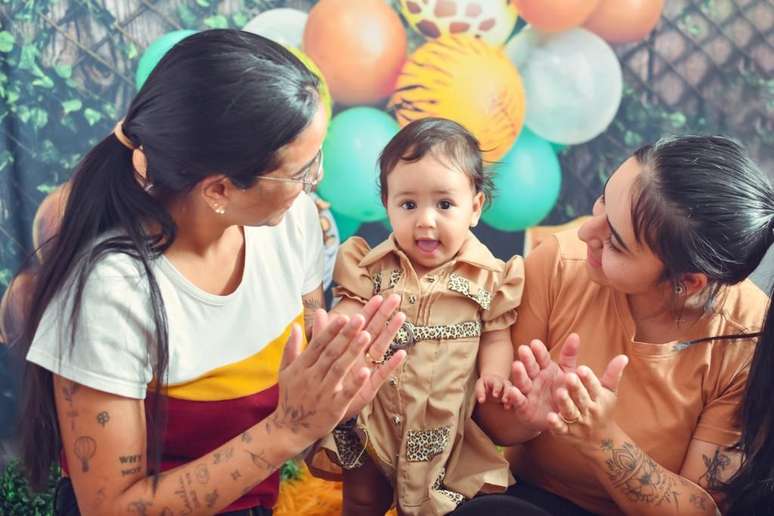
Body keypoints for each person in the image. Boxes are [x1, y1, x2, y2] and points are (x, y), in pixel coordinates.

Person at [18, 29, 407, 516]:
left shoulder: (295, 222)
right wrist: (288, 429)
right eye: (301, 171)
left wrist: (334, 398)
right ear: (219, 190)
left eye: (318, 157)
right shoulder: (111, 293)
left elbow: (301, 391)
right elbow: (112, 507)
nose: (317, 180)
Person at [474, 135, 773, 515]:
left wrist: (601, 439)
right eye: (602, 199)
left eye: (615, 242)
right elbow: (493, 427)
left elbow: (702, 509)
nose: (586, 233)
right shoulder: (557, 264)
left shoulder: (747, 340)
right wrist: (527, 416)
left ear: (689, 281)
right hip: (529, 501)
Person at [308, 118, 526, 516]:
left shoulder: (490, 277)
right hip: (372, 413)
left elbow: (497, 335)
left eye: (444, 204)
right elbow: (353, 307)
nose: (425, 220)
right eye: (408, 204)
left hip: (441, 423)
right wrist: (341, 322)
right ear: (387, 203)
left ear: (475, 207)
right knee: (362, 498)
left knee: (436, 502)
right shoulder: (370, 266)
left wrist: (495, 375)